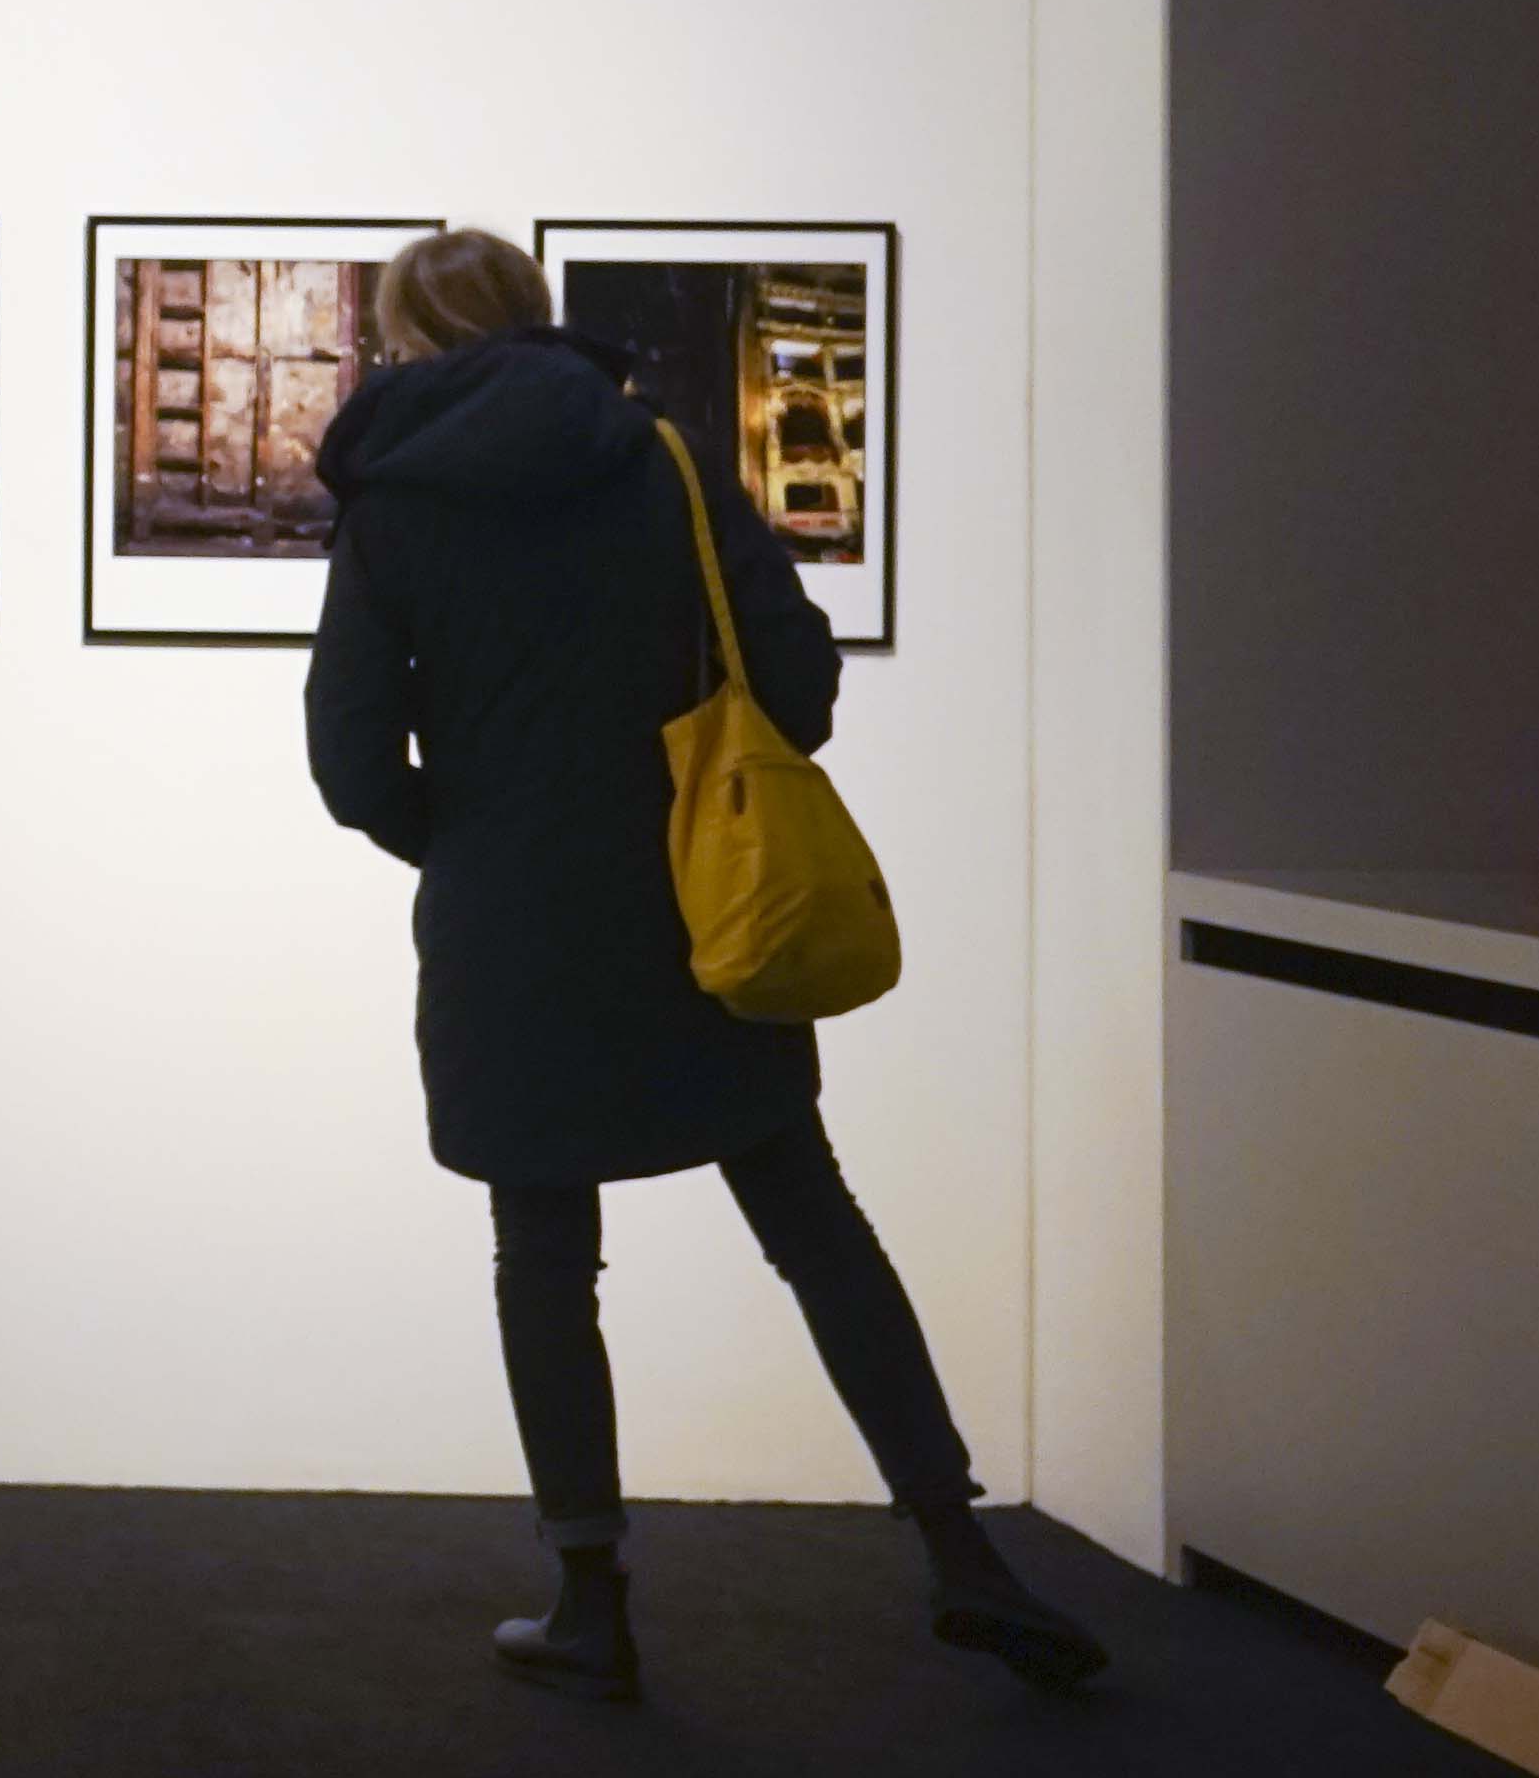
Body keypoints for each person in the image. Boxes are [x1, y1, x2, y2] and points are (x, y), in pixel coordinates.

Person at [303, 226, 1099, 1703]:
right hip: (699, 903)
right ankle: (961, 1552)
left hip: (510, 936)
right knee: (812, 1219)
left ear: (411, 339)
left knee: (546, 1257)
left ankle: (591, 1600)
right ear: (535, 320)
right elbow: (794, 678)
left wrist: (476, 846)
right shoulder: (663, 460)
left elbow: (351, 763)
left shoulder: (391, 508)